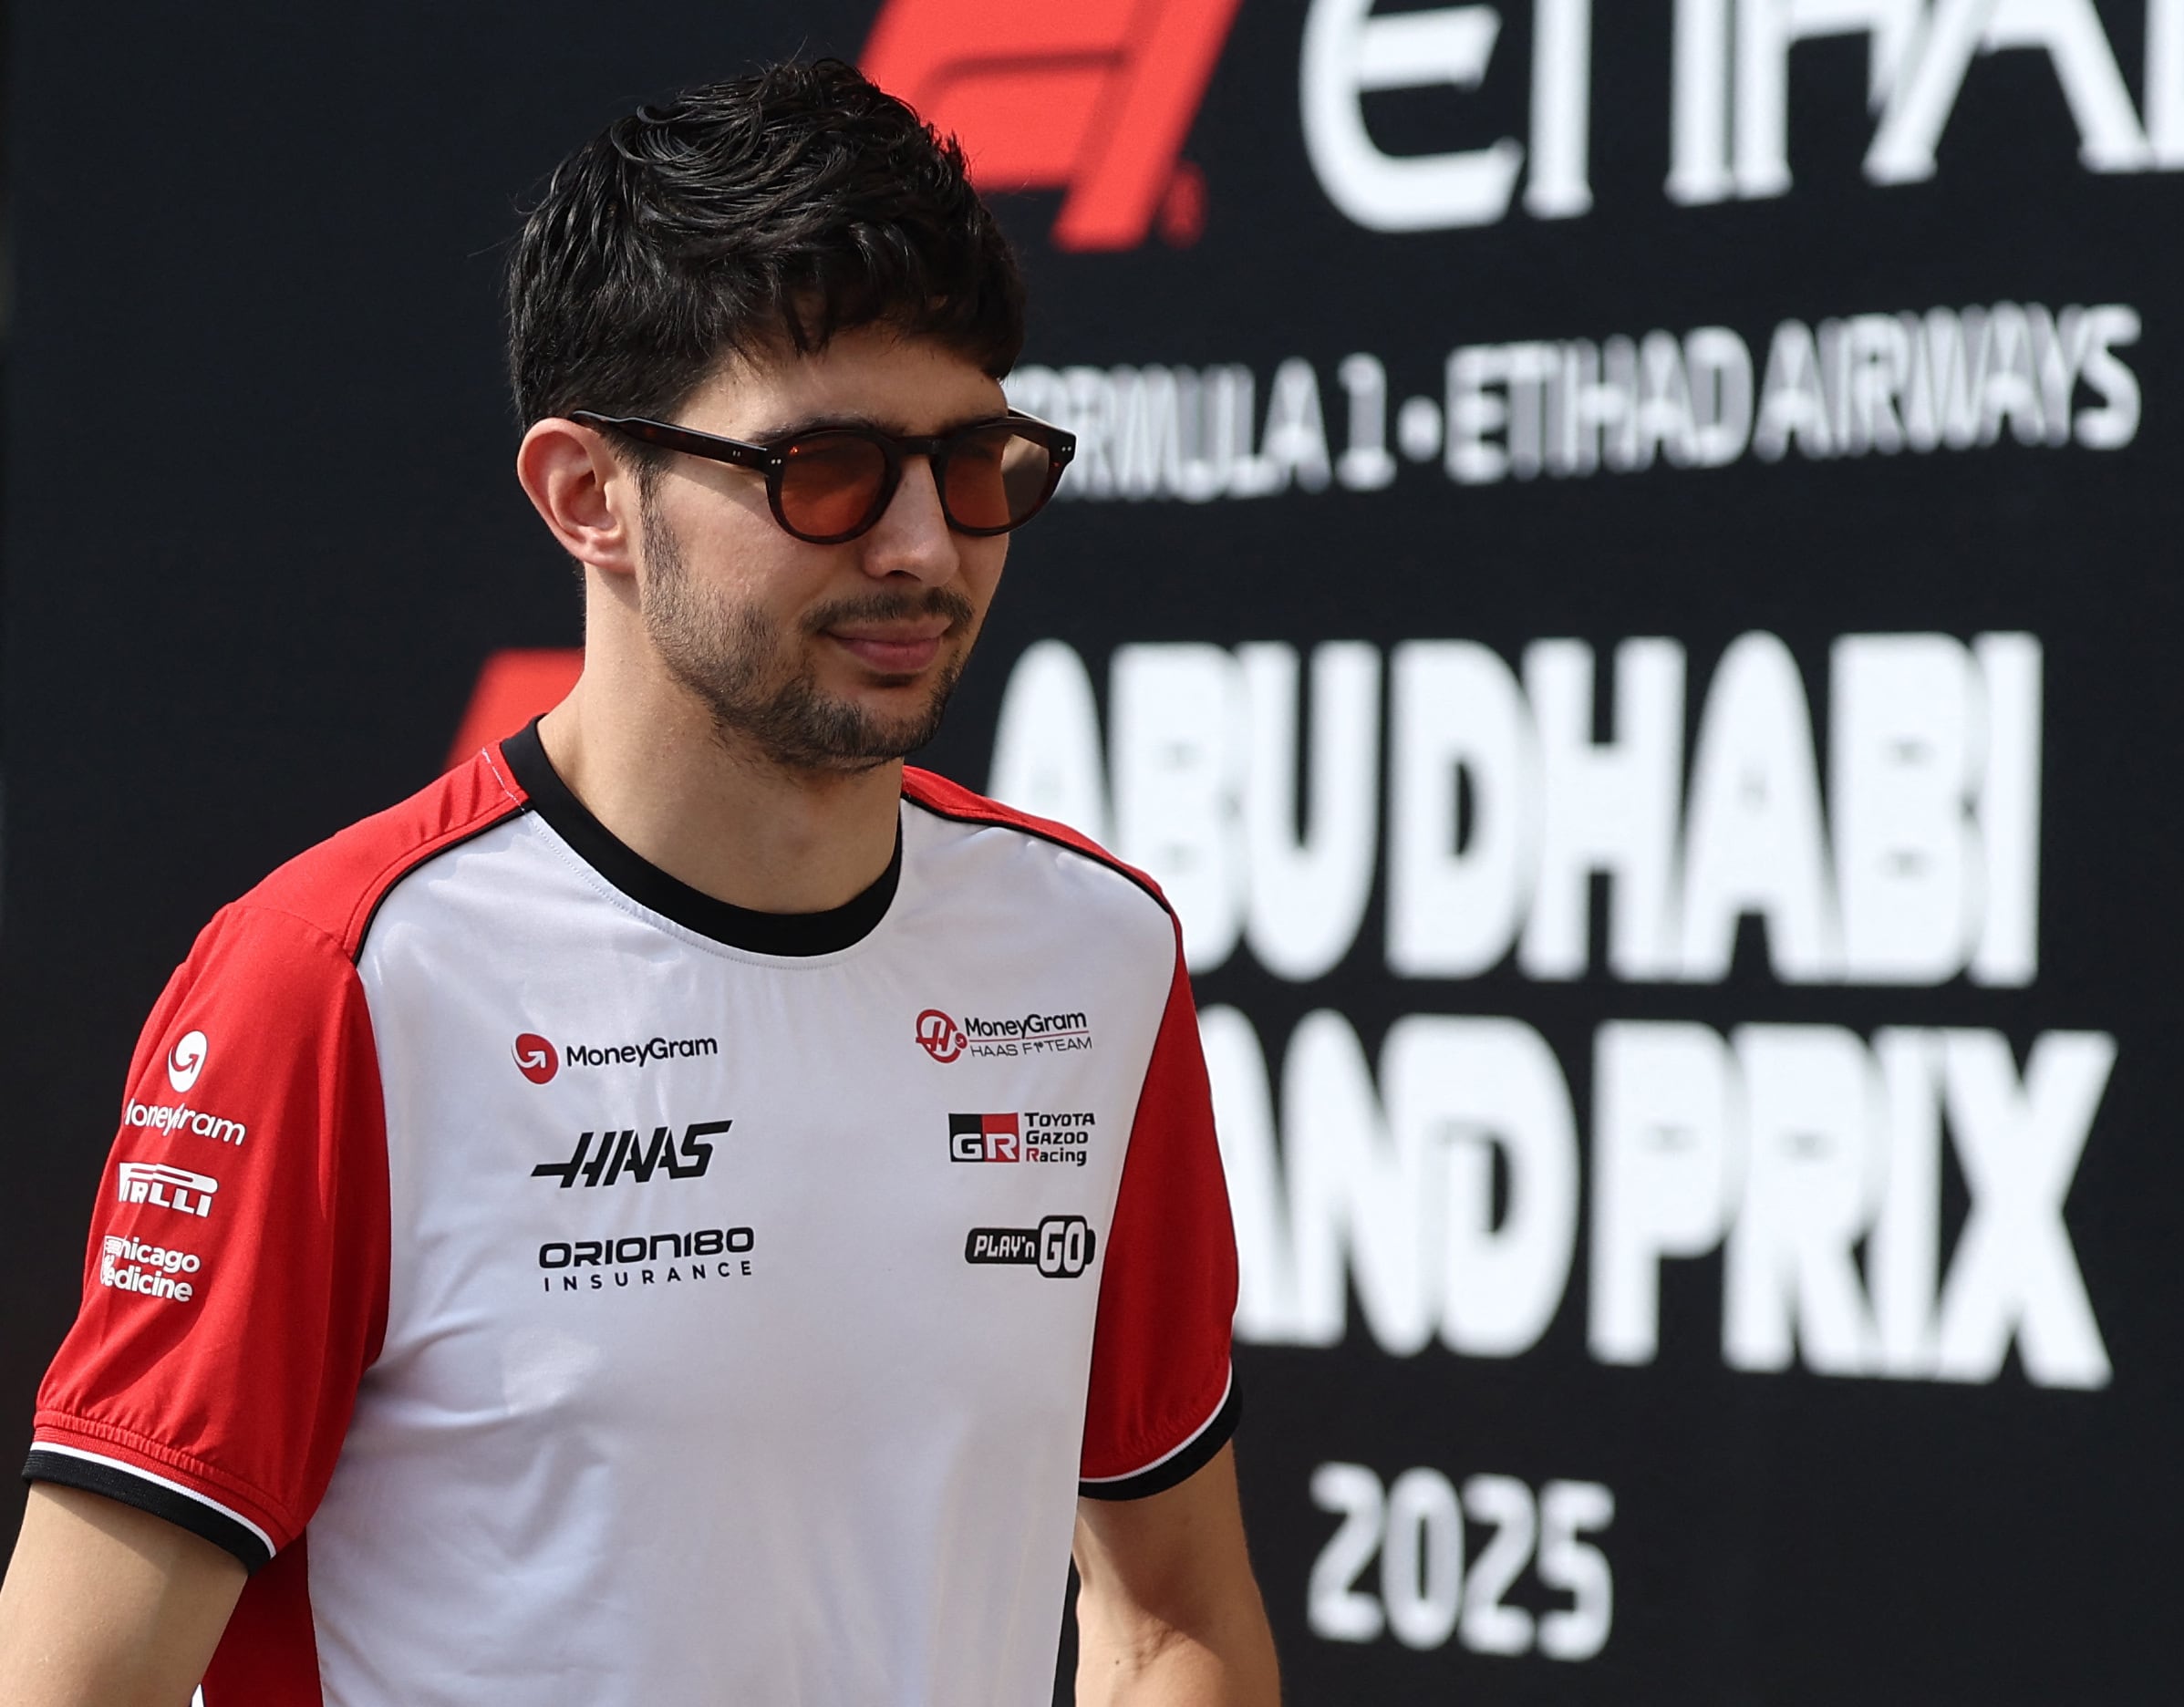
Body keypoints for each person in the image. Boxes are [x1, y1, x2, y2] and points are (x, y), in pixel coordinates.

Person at [0, 58, 1278, 1707]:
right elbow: (74, 1676)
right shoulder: (339, 978)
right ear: (587, 495)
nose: (922, 545)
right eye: (825, 470)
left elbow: (1172, 1615)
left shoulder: (1095, 953)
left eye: (977, 464)